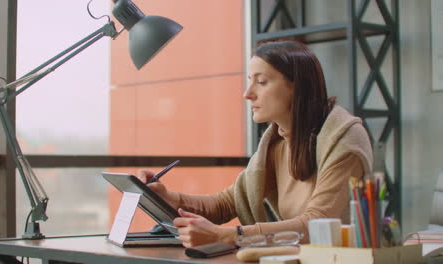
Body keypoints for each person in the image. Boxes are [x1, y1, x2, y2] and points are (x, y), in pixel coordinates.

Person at [138, 40, 373, 248]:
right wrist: (169, 197)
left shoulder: (344, 138)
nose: (247, 93)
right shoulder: (277, 141)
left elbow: (317, 224)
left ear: (296, 87)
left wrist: (227, 236)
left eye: (261, 82)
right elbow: (227, 203)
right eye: (250, 81)